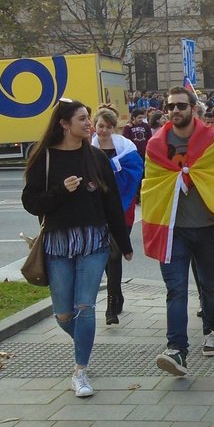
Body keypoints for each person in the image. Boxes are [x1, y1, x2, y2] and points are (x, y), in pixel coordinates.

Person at [21, 99, 133, 398]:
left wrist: (124, 244)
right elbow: (31, 203)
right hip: (57, 244)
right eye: (82, 119)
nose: (88, 123)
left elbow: (112, 205)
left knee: (85, 306)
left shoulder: (96, 157)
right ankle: (84, 341)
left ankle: (80, 370)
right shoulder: (42, 156)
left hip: (94, 242)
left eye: (88, 118)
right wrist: (61, 191)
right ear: (64, 124)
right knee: (63, 314)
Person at [141, 86, 214, 377]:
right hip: (173, 230)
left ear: (193, 109)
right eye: (171, 106)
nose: (176, 110)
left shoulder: (212, 140)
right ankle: (176, 349)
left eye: (181, 105)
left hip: (207, 229)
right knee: (175, 289)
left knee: (210, 286)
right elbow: (151, 185)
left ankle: (212, 329)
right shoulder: (155, 145)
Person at [91, 108, 144, 325]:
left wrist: (114, 167)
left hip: (123, 208)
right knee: (107, 254)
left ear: (114, 128)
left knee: (114, 253)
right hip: (97, 209)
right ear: (95, 126)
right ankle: (117, 293)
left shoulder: (125, 147)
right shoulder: (87, 148)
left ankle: (111, 305)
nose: (104, 130)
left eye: (108, 127)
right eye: (100, 126)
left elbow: (136, 170)